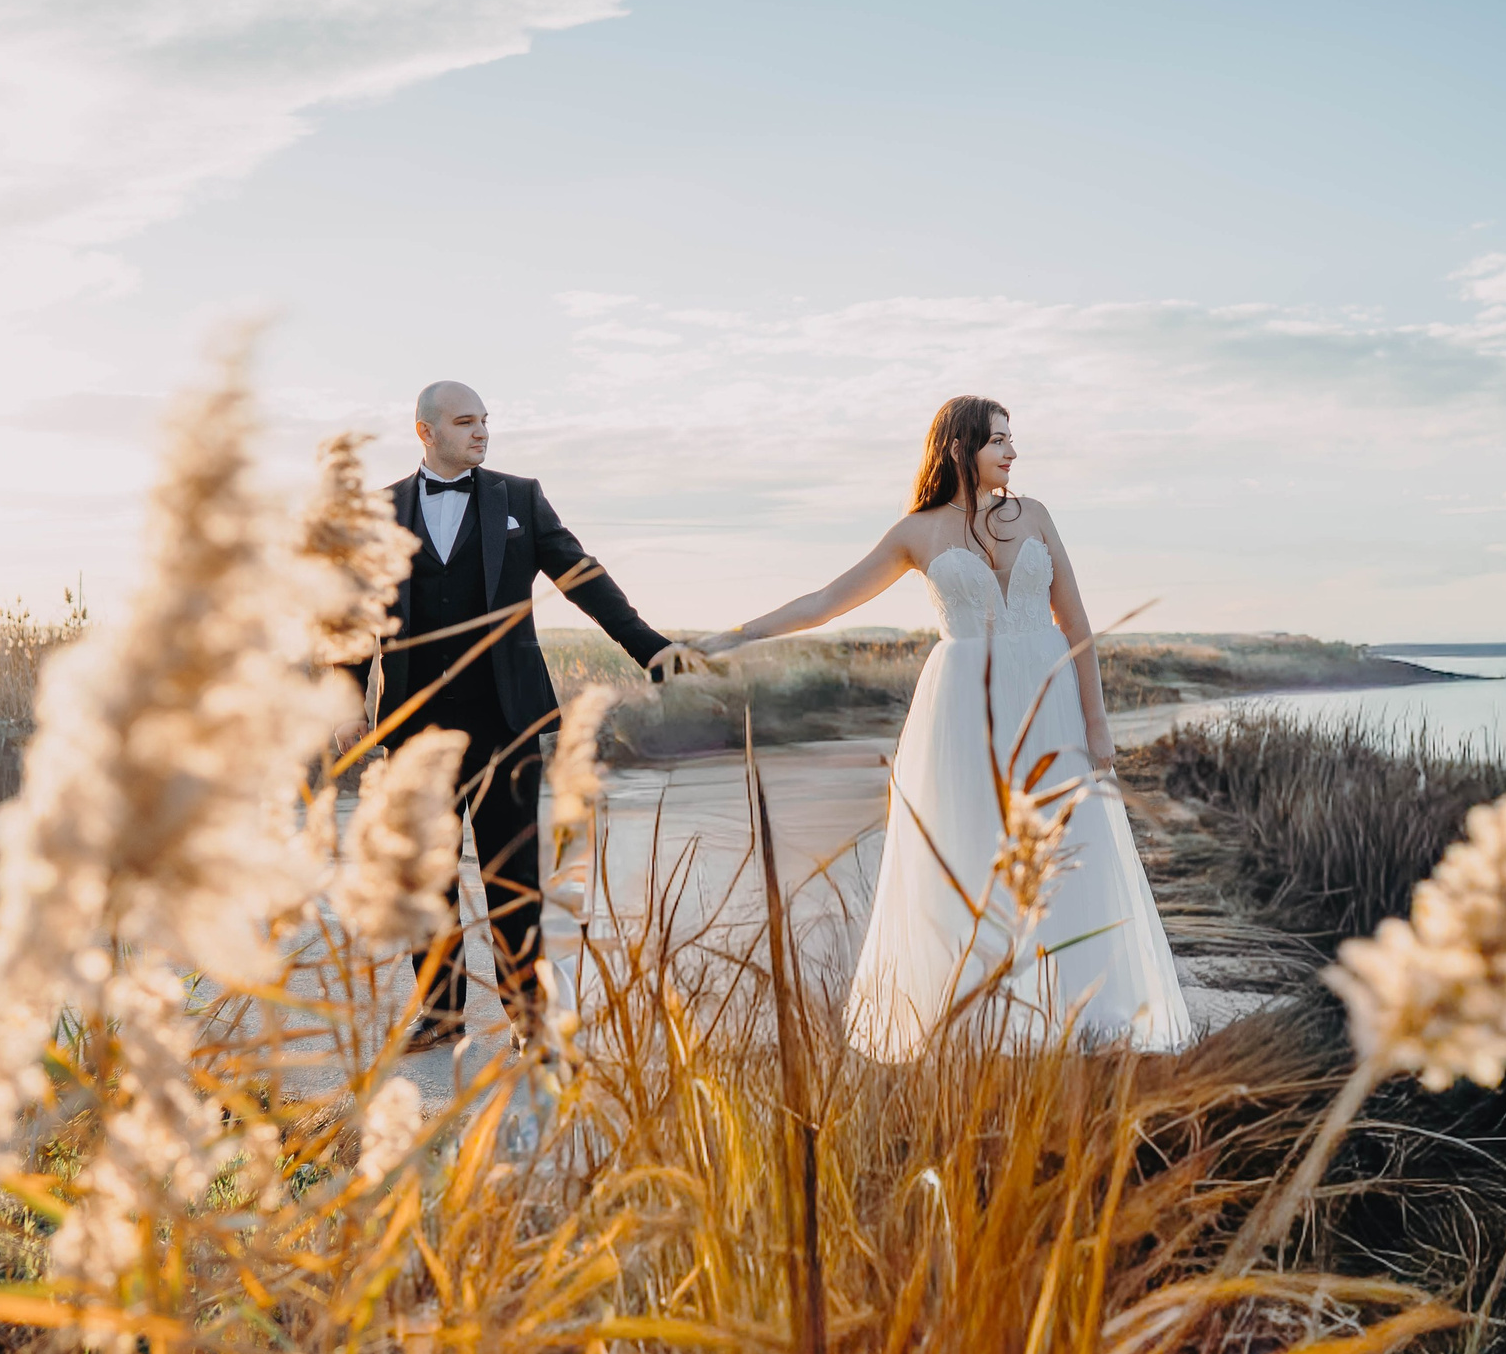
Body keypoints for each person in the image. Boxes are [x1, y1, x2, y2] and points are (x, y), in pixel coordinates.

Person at [690, 395, 1191, 1059]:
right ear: (959, 447)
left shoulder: (1036, 515)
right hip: (962, 712)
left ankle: (1087, 1017)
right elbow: (827, 601)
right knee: (969, 851)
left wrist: (1099, 726)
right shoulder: (917, 532)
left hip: (1050, 702)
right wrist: (735, 635)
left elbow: (1078, 627)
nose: (1012, 452)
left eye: (1013, 440)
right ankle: (982, 1026)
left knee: (1067, 853)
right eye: (998, 441)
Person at [356, 380, 704, 1052]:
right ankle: (441, 1012)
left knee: (511, 872)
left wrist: (651, 648)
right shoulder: (377, 513)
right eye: (465, 422)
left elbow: (583, 577)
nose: (481, 432)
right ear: (425, 431)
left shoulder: (518, 498)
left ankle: (528, 1017)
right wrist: (347, 698)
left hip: (504, 717)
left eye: (485, 421)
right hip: (413, 723)